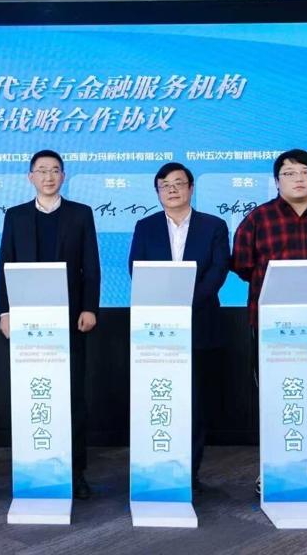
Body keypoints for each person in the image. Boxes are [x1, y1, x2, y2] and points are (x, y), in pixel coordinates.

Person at [231, 149, 307, 499]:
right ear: (277, 180)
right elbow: (241, 265)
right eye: (289, 173)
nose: (298, 178)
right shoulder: (258, 219)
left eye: (305, 172)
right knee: (274, 398)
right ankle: (271, 466)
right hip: (270, 329)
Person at [0, 149, 101, 500]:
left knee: (72, 396)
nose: (48, 176)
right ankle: (33, 465)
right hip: (28, 320)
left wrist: (89, 308)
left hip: (70, 319)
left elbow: (91, 265)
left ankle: (76, 471)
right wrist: (5, 313)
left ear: (63, 176)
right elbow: (5, 265)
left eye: (55, 170)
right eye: (41, 170)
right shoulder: (15, 216)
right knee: (33, 392)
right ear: (30, 177)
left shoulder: (81, 214)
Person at [128, 162, 229, 490]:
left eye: (178, 183)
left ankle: (190, 470)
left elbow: (218, 271)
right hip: (157, 327)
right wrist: (165, 306)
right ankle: (158, 464)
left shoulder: (213, 225)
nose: (172, 190)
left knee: (195, 402)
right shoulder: (146, 226)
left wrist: (187, 303)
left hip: (200, 323)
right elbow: (136, 268)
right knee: (161, 397)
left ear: (191, 188)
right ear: (158, 192)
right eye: (165, 185)